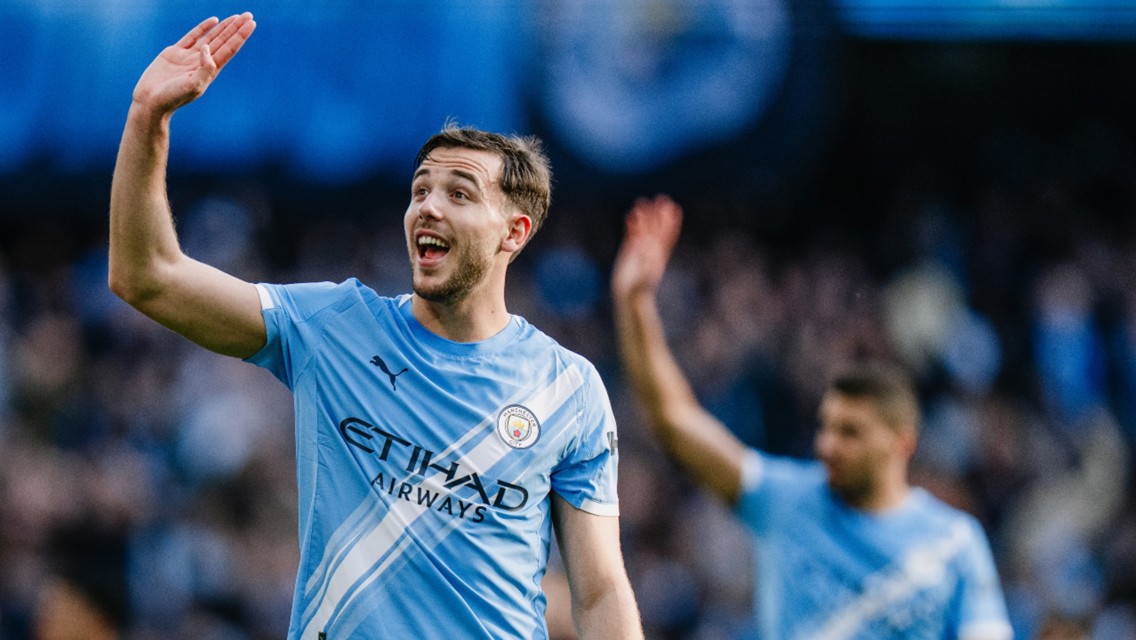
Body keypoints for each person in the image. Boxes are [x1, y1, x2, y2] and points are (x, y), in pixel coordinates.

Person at [108, 13, 642, 639]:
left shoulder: (568, 391)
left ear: (514, 233)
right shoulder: (333, 327)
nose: (429, 207)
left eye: (460, 193)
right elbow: (146, 276)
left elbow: (601, 590)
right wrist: (148, 118)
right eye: (420, 190)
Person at [610, 194, 1013, 639]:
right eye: (827, 427)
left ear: (902, 442)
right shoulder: (785, 501)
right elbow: (675, 421)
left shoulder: (955, 542)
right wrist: (635, 302)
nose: (828, 444)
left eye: (851, 432)